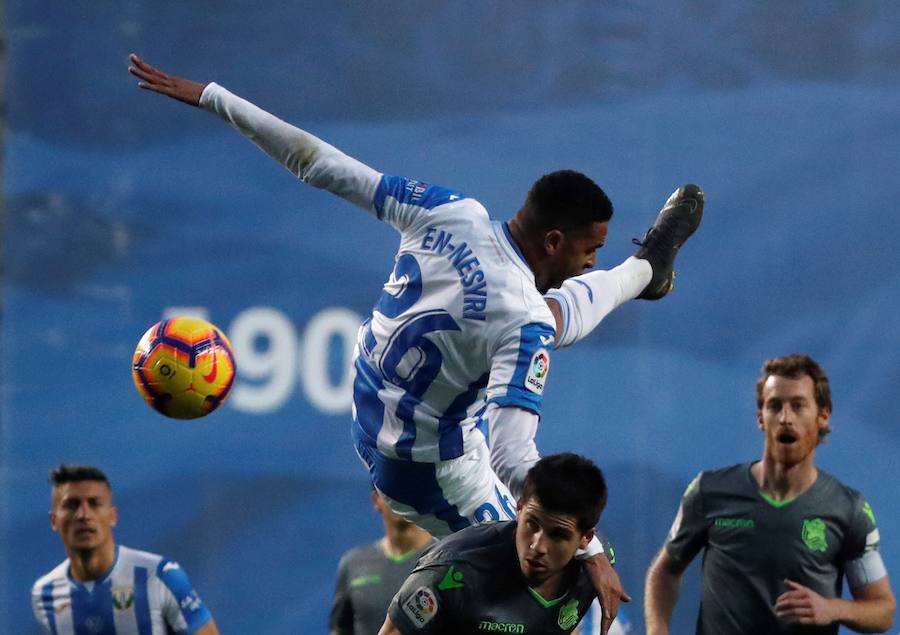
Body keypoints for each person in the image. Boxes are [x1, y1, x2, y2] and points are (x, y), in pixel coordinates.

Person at [128, 53, 704, 634]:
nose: (588, 263)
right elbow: (511, 460)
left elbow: (318, 162)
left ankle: (645, 271)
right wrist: (591, 547)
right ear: (555, 241)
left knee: (551, 316)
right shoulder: (523, 323)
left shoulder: (450, 212)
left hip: (372, 421)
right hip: (433, 476)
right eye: (588, 253)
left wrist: (214, 97)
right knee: (559, 576)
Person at [643, 354, 896, 634]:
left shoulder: (848, 509)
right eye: (775, 406)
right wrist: (657, 631)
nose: (785, 418)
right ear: (761, 418)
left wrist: (834, 608)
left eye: (798, 406)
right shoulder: (710, 491)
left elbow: (882, 610)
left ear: (823, 416)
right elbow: (665, 571)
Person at [378, 452, 610, 634]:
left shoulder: (593, 573)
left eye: (558, 535)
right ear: (519, 509)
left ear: (586, 539)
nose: (538, 546)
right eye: (532, 524)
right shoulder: (452, 571)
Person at [31, 465, 219, 635]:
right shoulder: (44, 593)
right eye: (71, 505)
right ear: (54, 521)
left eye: (94, 503)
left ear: (113, 517)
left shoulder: (160, 576)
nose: (83, 515)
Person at [331, 488, 436, 635]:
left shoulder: (444, 560)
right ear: (376, 500)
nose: (402, 499)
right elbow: (340, 629)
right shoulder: (353, 563)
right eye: (392, 489)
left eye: (409, 489)